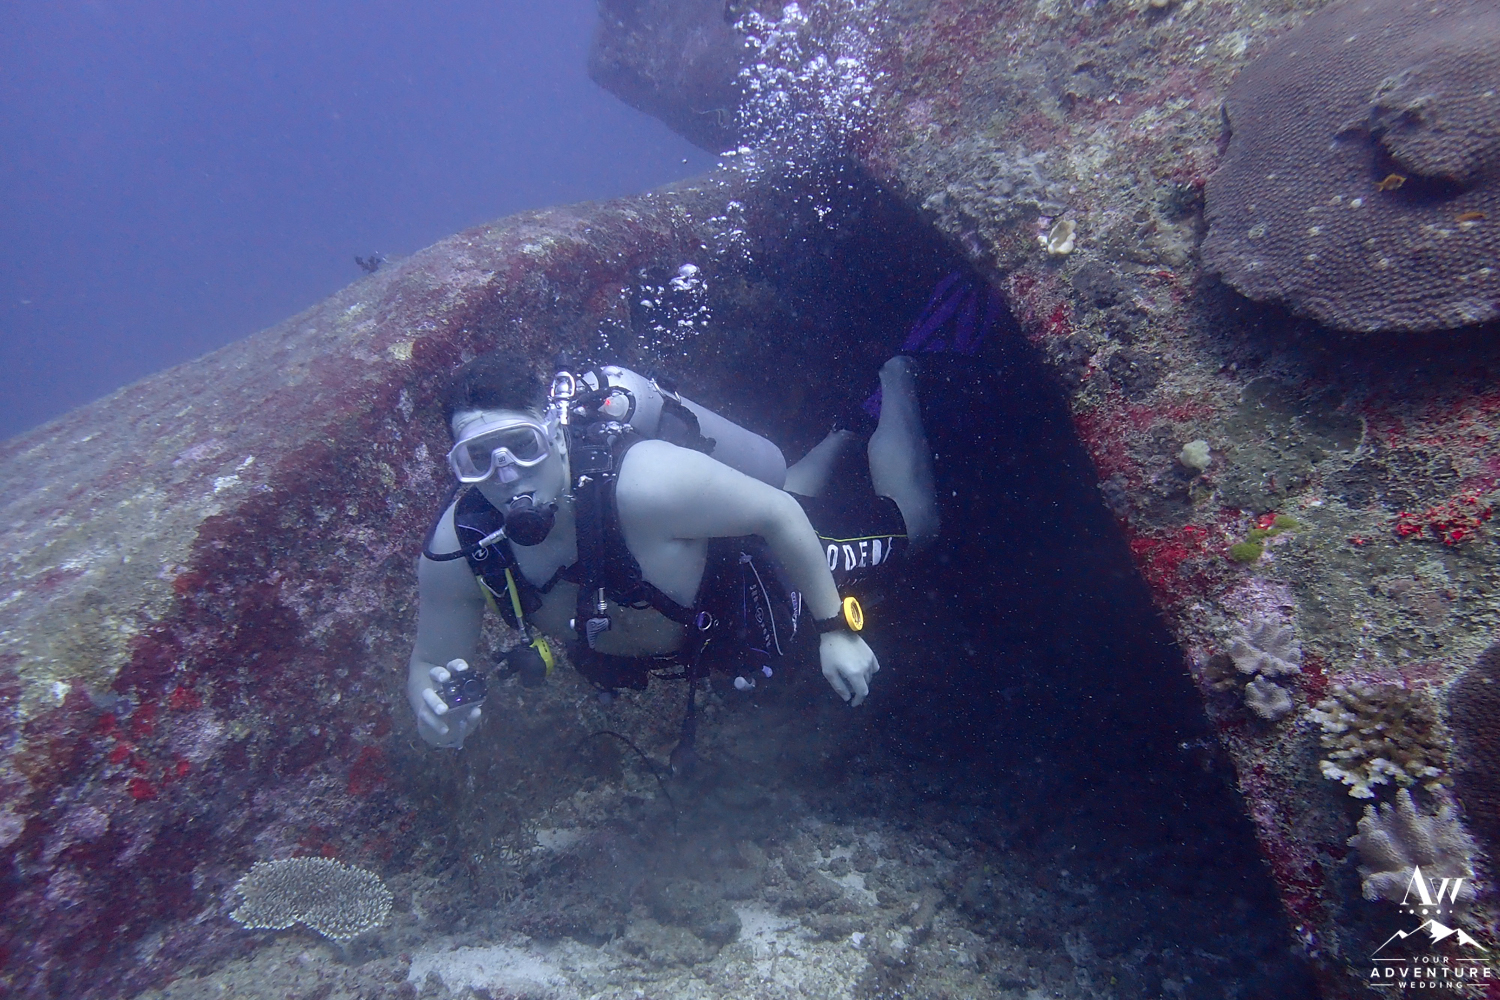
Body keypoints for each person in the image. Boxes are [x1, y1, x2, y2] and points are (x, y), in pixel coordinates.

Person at [406, 351, 939, 748]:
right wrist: (434, 716)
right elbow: (429, 660)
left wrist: (835, 630)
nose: (504, 475)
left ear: (553, 431)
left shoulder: (646, 482)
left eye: (523, 446)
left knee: (917, 524)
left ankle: (897, 375)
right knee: (770, 494)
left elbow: (778, 515)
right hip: (708, 595)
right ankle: (845, 430)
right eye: (477, 459)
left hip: (763, 565)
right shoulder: (461, 550)